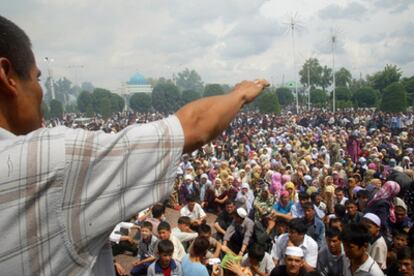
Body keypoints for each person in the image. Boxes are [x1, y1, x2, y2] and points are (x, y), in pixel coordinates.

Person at [0, 15, 269, 275]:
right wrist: (241, 94)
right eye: (36, 78)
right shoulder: (50, 161)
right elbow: (193, 127)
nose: (40, 92)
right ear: (7, 75)